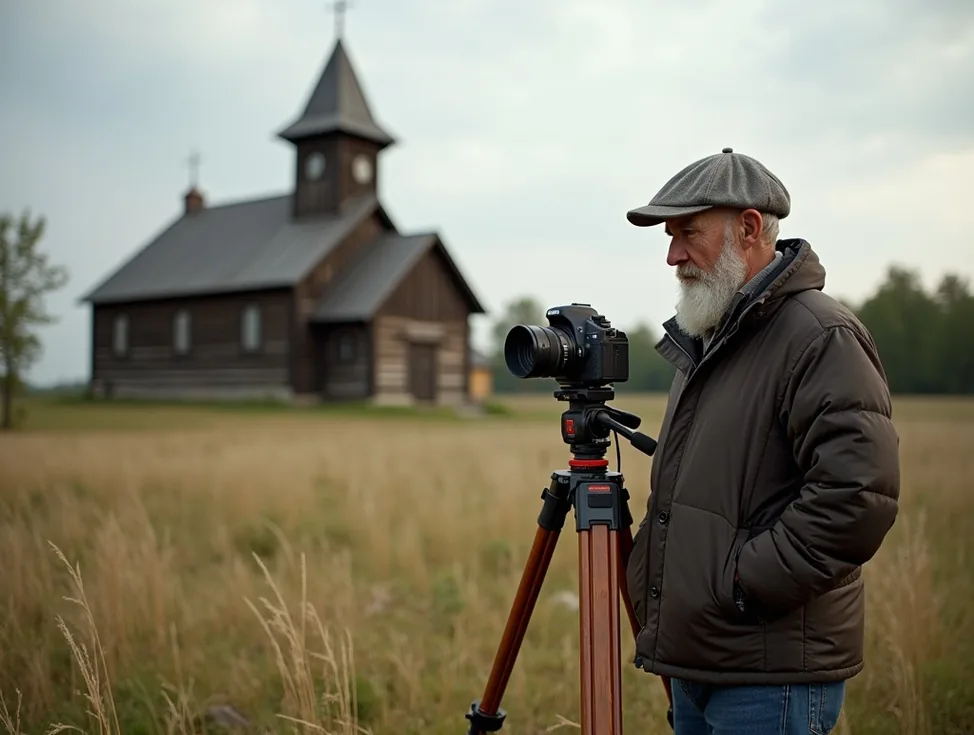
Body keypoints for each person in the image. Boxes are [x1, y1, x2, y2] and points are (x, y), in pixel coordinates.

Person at [623, 147, 901, 734]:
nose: (673, 255)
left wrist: (741, 585)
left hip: (770, 675)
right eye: (669, 237)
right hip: (701, 662)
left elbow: (857, 497)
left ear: (750, 228)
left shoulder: (820, 335)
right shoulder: (710, 336)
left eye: (688, 233)